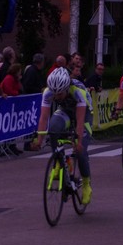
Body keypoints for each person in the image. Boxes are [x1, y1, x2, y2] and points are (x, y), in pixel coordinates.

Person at [32, 67, 93, 205]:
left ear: (66, 88)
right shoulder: (48, 92)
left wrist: (78, 141)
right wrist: (39, 140)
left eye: (59, 94)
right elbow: (44, 118)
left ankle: (86, 184)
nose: (56, 97)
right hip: (65, 110)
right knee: (53, 128)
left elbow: (80, 120)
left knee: (81, 151)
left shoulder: (77, 92)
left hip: (84, 114)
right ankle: (59, 159)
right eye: (55, 94)